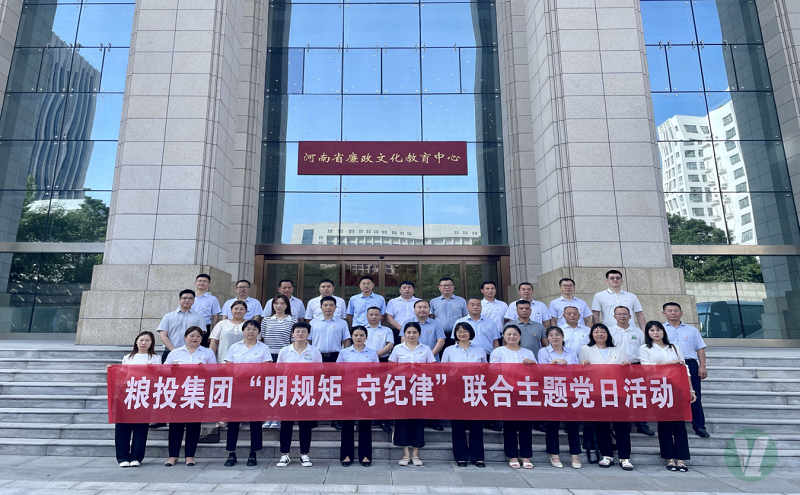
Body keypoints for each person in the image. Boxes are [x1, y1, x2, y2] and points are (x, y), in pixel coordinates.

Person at [640, 321, 697, 472]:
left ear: (663, 332)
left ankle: (681, 458)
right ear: (648, 333)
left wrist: (691, 390)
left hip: (676, 387)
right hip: (657, 388)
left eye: (658, 330)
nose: (656, 333)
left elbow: (684, 369)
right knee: (664, 423)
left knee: (679, 424)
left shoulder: (674, 347)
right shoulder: (645, 348)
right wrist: (671, 363)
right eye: (652, 330)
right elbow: (647, 369)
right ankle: (669, 457)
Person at [579, 324, 633, 471]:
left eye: (602, 331)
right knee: (602, 426)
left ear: (608, 334)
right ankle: (606, 455)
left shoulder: (618, 350)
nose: (599, 334)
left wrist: (626, 366)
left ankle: (625, 457)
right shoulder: (585, 350)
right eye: (596, 332)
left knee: (622, 426)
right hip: (597, 392)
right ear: (591, 335)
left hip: (617, 392)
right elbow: (581, 372)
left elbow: (627, 372)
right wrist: (584, 365)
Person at [164, 326, 217, 467]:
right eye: (192, 336)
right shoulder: (175, 353)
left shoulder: (207, 352)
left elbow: (215, 371)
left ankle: (190, 456)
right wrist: (172, 369)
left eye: (198, 336)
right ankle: (173, 456)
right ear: (185, 337)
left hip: (197, 393)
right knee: (175, 425)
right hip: (178, 393)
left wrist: (205, 369)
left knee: (194, 425)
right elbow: (163, 371)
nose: (195, 338)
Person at [222, 319, 272, 467]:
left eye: (254, 329)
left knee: (255, 421)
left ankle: (253, 453)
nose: (251, 331)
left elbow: (266, 368)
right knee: (233, 421)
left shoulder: (263, 348)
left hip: (255, 389)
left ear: (259, 332)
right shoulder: (234, 347)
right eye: (248, 329)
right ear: (243, 331)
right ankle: (231, 453)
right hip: (236, 388)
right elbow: (229, 368)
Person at [108, 331, 160, 467]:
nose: (144, 343)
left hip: (144, 395)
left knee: (141, 428)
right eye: (141, 340)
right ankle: (123, 457)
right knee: (122, 427)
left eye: (147, 340)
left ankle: (137, 457)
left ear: (152, 343)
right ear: (136, 341)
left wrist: (152, 370)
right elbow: (121, 376)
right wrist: (111, 370)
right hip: (127, 394)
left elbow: (159, 376)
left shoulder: (156, 358)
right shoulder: (128, 358)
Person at [389, 321, 437, 466]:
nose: (411, 335)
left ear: (419, 334)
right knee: (402, 420)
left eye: (414, 332)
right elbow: (391, 368)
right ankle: (405, 454)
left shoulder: (426, 349)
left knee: (418, 420)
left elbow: (432, 368)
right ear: (404, 334)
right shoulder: (398, 348)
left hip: (420, 388)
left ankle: (415, 454)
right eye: (408, 332)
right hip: (402, 388)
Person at [490, 325, 537, 469]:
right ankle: (512, 455)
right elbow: (493, 371)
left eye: (515, 334)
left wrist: (532, 365)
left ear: (520, 336)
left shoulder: (528, 352)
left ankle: (526, 456)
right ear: (504, 336)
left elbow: (537, 373)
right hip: (507, 391)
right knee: (510, 425)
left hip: (525, 392)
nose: (512, 337)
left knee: (526, 425)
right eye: (509, 334)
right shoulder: (498, 351)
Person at [276, 322, 322, 467]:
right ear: (293, 334)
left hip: (307, 393)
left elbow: (319, 372)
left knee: (305, 424)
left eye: (303, 331)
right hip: (288, 392)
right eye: (297, 331)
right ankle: (285, 454)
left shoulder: (314, 351)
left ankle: (305, 454)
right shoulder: (285, 351)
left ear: (308, 334)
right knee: (286, 424)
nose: (300, 334)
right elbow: (278, 372)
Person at [441, 322, 486, 468]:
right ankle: (461, 457)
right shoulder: (449, 350)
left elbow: (485, 370)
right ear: (455, 334)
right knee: (458, 425)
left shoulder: (480, 350)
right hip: (456, 390)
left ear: (470, 333)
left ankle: (478, 457)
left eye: (465, 331)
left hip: (475, 390)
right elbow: (443, 371)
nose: (462, 334)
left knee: (476, 424)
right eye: (459, 331)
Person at [662, 302, 709, 438]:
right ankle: (673, 426)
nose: (673, 313)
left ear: (681, 313)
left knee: (694, 395)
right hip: (670, 365)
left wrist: (702, 366)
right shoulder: (660, 329)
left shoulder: (692, 330)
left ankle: (699, 426)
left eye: (676, 310)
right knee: (671, 395)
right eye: (669, 311)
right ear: (664, 313)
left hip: (690, 363)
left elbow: (700, 348)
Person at [538, 326, 582, 469]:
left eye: (557, 334)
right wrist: (554, 364)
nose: (554, 337)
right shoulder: (543, 351)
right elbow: (542, 371)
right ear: (547, 338)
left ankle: (575, 455)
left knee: (572, 424)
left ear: (563, 337)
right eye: (551, 335)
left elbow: (576, 370)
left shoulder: (571, 352)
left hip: (569, 390)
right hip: (552, 390)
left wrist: (566, 367)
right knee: (552, 424)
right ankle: (554, 454)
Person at [336, 325, 379, 467]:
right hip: (348, 391)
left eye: (361, 335)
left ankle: (365, 455)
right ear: (352, 337)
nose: (358, 338)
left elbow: (377, 373)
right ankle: (346, 455)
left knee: (365, 424)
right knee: (347, 424)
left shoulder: (372, 353)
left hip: (366, 392)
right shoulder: (344, 353)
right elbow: (338, 372)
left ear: (366, 337)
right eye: (356, 335)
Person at [609, 306, 652, 437]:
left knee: (639, 395)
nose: (622, 316)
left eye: (625, 314)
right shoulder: (609, 331)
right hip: (618, 367)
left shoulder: (638, 332)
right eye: (619, 314)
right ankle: (625, 423)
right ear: (614, 316)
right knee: (622, 396)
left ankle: (642, 424)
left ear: (630, 316)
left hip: (636, 366)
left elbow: (644, 348)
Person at [309, 295, 351, 430]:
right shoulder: (313, 323)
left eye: (331, 305)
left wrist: (345, 356)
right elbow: (308, 341)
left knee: (336, 388)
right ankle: (312, 418)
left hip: (336, 358)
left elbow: (347, 340)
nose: (328, 308)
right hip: (317, 358)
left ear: (335, 307)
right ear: (321, 307)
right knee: (315, 387)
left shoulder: (342, 323)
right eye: (325, 305)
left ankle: (336, 419)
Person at [428, 277, 467, 349]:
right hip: (439, 334)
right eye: (444, 285)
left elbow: (465, 316)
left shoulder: (461, 301)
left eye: (449, 285)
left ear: (453, 287)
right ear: (439, 287)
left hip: (457, 334)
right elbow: (431, 318)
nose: (447, 287)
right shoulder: (433, 302)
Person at [260, 294, 297, 366]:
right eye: (276, 303)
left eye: (282, 303)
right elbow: (263, 337)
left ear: (287, 305)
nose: (279, 306)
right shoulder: (266, 320)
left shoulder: (293, 321)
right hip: (268, 354)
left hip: (284, 353)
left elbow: (293, 340)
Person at [192, 274, 222, 343]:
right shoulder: (189, 297)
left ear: (209, 284)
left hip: (204, 328)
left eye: (205, 281)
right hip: (188, 327)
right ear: (195, 283)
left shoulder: (213, 299)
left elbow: (215, 316)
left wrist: (213, 333)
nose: (202, 283)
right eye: (200, 281)